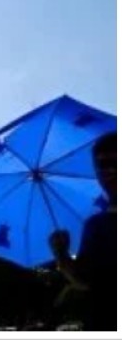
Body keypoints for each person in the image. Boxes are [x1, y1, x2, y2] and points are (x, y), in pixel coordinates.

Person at [49, 131, 116, 331]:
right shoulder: (96, 225)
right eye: (103, 165)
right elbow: (85, 279)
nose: (111, 170)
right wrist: (61, 254)